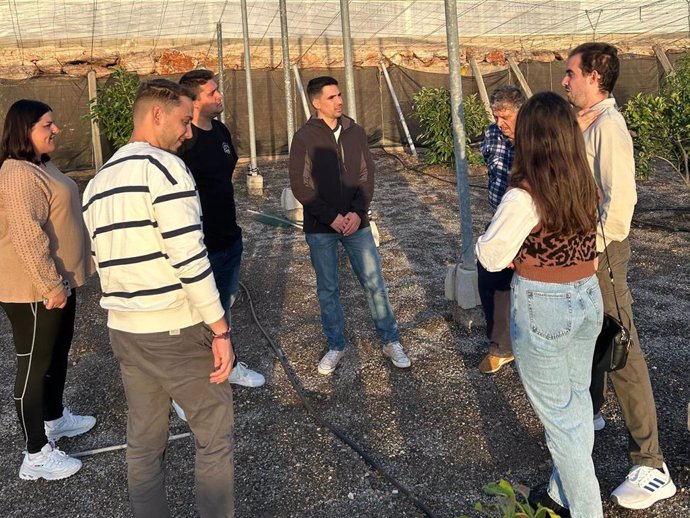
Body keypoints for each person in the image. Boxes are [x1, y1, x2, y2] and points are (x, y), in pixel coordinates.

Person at [82, 79, 234, 518]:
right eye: (184, 122)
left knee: (144, 443)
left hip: (126, 333)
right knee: (213, 436)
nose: (188, 133)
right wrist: (220, 327)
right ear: (155, 115)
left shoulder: (96, 184)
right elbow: (189, 256)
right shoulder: (166, 170)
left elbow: (100, 262)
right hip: (175, 330)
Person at [476, 92, 603, 518]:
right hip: (587, 295)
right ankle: (561, 492)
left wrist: (510, 250)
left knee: (560, 423)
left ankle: (586, 509)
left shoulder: (525, 194)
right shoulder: (584, 181)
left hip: (544, 304)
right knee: (577, 400)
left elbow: (491, 256)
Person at [562, 42, 676, 510]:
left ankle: (652, 463)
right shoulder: (587, 123)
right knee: (588, 337)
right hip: (586, 250)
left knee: (621, 347)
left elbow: (620, 203)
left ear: (593, 76)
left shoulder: (609, 127)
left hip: (602, 253)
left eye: (571, 73)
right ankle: (590, 414)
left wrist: (591, 252)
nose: (564, 81)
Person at [288, 76, 411, 375]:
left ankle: (390, 340)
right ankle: (336, 345)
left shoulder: (355, 132)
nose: (339, 101)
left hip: (358, 224)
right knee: (328, 289)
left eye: (340, 95)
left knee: (374, 283)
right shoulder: (304, 138)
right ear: (317, 103)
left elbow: (367, 176)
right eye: (331, 97)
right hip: (321, 228)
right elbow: (300, 186)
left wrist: (358, 212)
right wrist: (331, 217)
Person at [0, 100, 95, 481]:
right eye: (47, 125)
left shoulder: (40, 164)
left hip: (59, 283)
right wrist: (50, 285)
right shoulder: (18, 172)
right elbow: (27, 235)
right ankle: (35, 453)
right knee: (34, 366)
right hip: (34, 290)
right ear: (25, 130)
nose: (56, 130)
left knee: (57, 355)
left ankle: (54, 418)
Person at [177, 69, 264, 389]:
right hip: (198, 245)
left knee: (222, 310)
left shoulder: (221, 132)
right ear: (194, 102)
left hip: (228, 236)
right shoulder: (184, 142)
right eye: (212, 93)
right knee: (194, 315)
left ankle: (228, 365)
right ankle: (191, 383)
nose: (219, 97)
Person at [477, 85, 525, 374]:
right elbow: (493, 165)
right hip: (501, 217)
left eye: (505, 116)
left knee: (529, 283)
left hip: (527, 223)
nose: (499, 123)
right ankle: (501, 345)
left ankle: (526, 345)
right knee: (490, 275)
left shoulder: (537, 138)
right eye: (496, 116)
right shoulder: (493, 133)